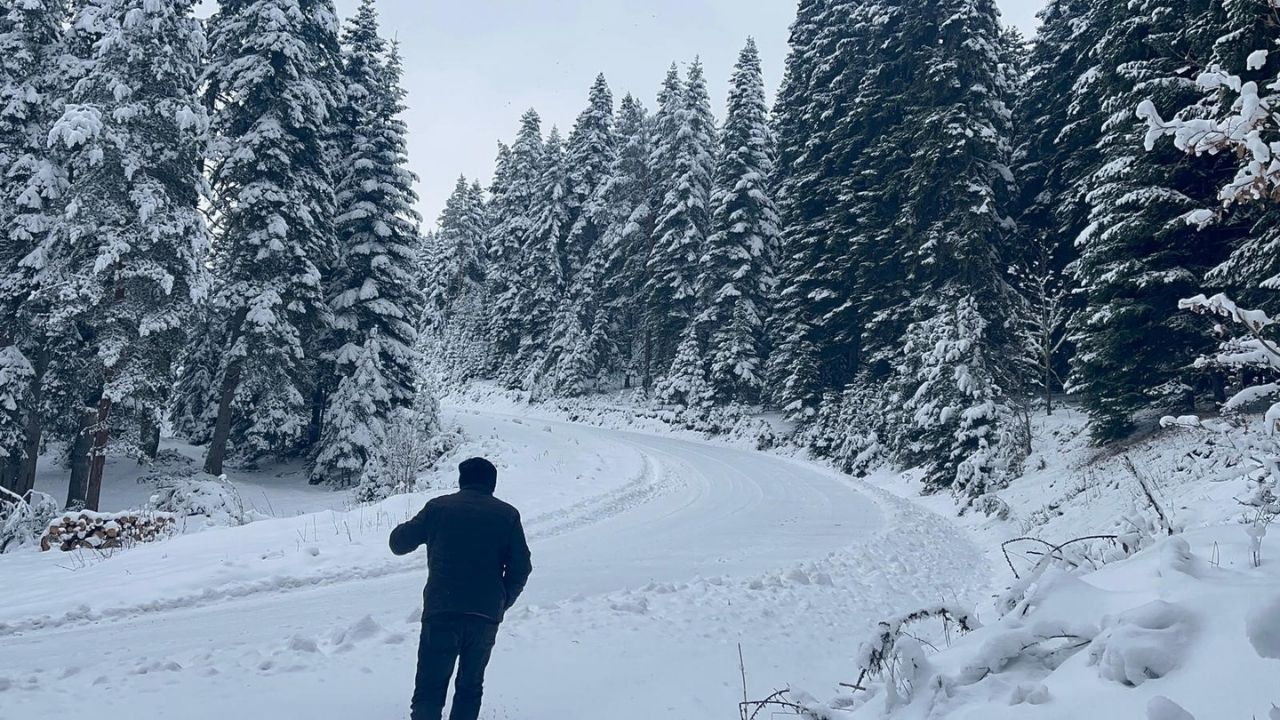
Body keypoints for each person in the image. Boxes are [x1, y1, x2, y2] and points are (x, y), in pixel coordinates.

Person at [389, 457, 533, 720]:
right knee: (470, 687)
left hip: (442, 609)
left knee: (429, 688)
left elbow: (398, 544)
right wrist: (502, 600)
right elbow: (521, 568)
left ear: (461, 481)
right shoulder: (508, 516)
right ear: (492, 484)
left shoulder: (438, 508)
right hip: (485, 616)